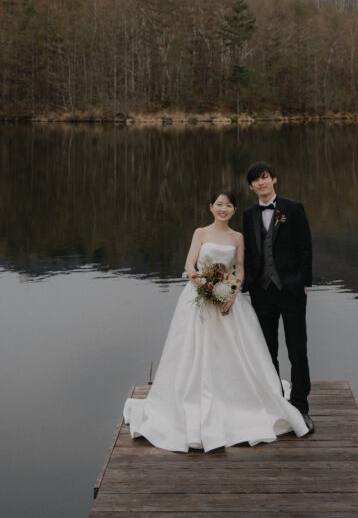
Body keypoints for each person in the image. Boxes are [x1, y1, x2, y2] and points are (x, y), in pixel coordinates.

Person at [122, 190, 308, 452]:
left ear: (233, 210)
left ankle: (240, 400)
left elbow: (240, 268)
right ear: (211, 207)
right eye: (219, 204)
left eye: (228, 205)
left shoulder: (238, 237)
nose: (223, 209)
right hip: (199, 298)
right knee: (193, 352)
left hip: (229, 299)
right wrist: (205, 288)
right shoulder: (200, 232)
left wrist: (232, 293)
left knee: (235, 351)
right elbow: (189, 266)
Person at [242, 162, 314, 433]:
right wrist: (248, 282)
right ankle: (274, 402)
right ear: (251, 187)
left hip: (292, 290)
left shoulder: (293, 209)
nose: (261, 183)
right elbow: (249, 252)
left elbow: (305, 247)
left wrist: (304, 282)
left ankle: (300, 407)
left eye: (265, 178)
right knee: (266, 351)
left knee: (297, 350)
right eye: (255, 181)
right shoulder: (249, 215)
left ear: (274, 180)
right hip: (261, 293)